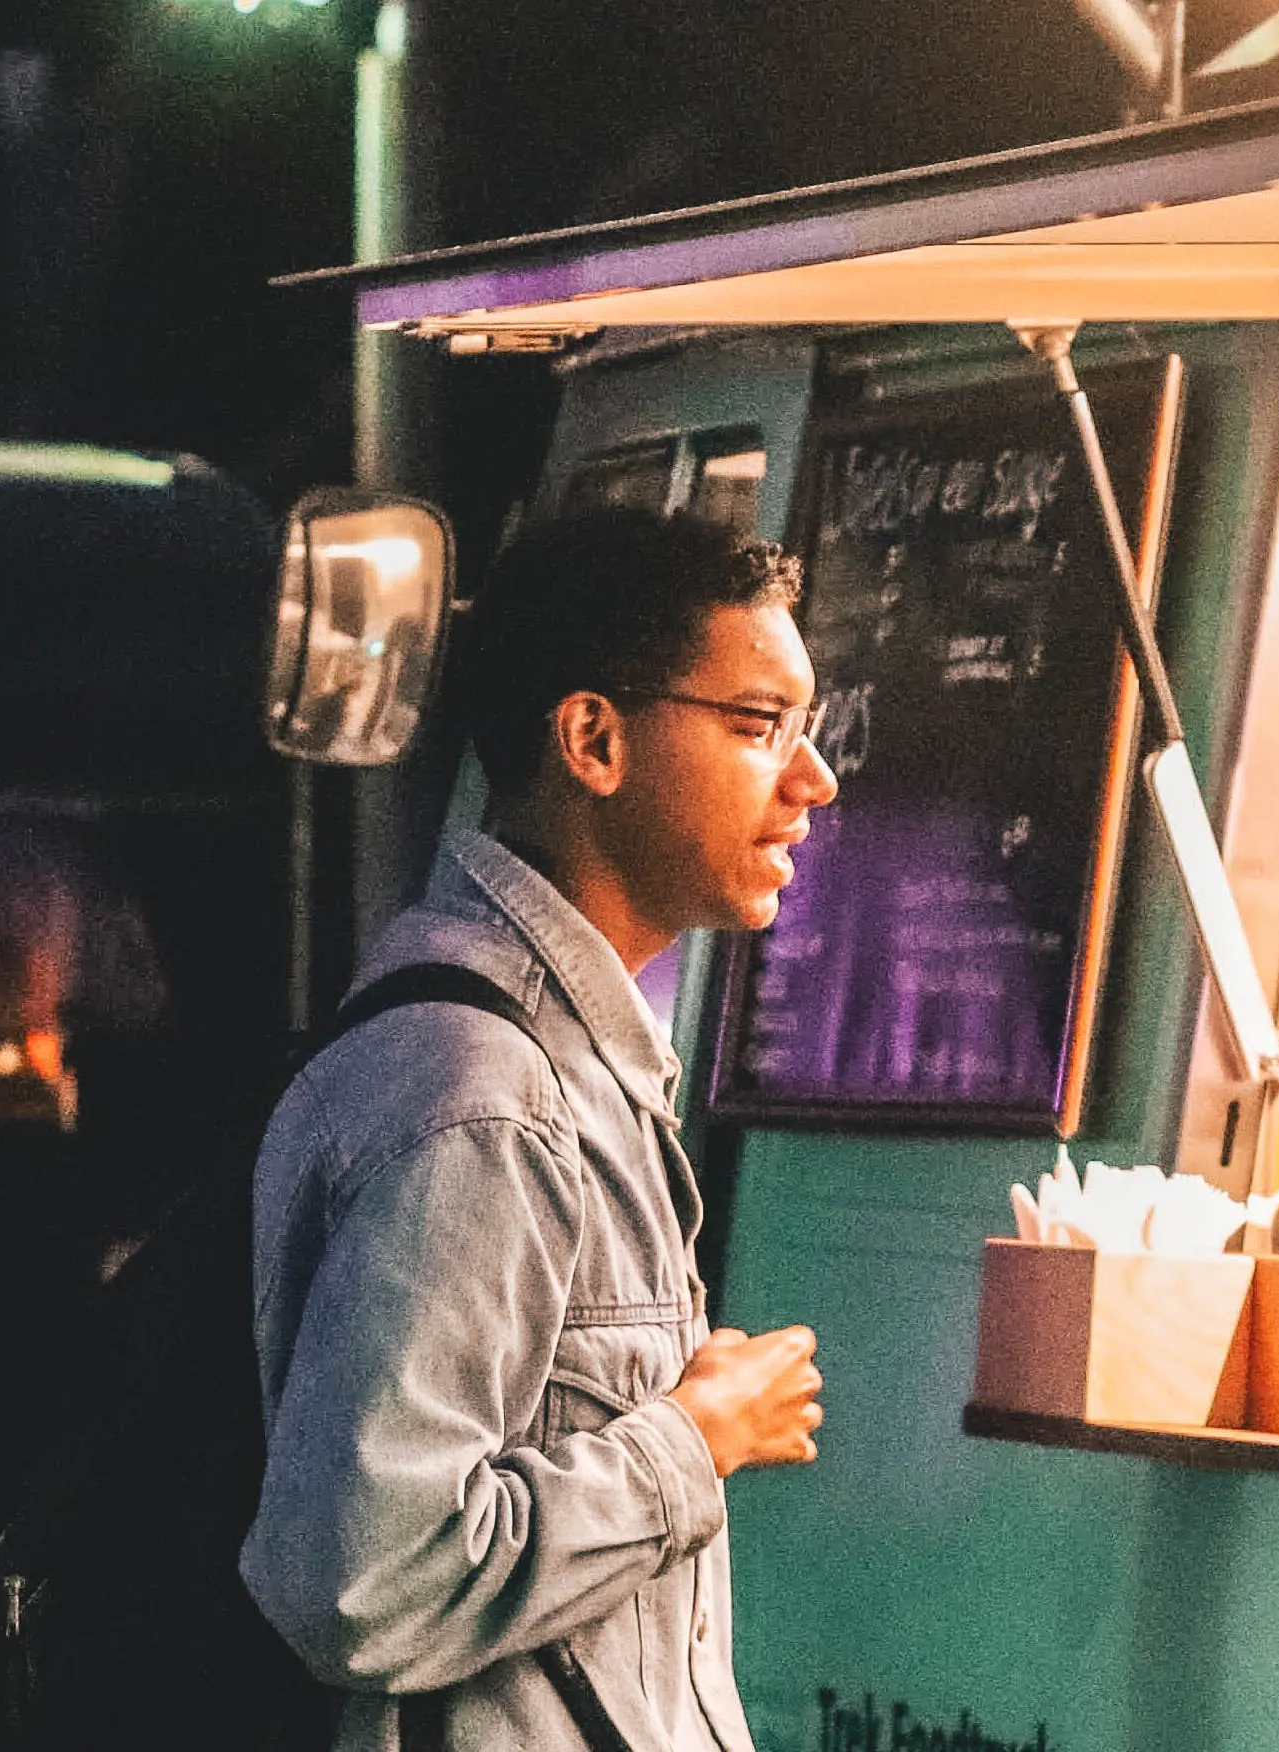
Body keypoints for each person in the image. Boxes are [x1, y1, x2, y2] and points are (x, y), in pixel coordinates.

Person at [242, 510, 841, 1749]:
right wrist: (694, 1438)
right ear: (593, 738)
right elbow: (365, 1581)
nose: (811, 779)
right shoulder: (482, 1099)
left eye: (807, 728)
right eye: (757, 724)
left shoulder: (549, 1066)